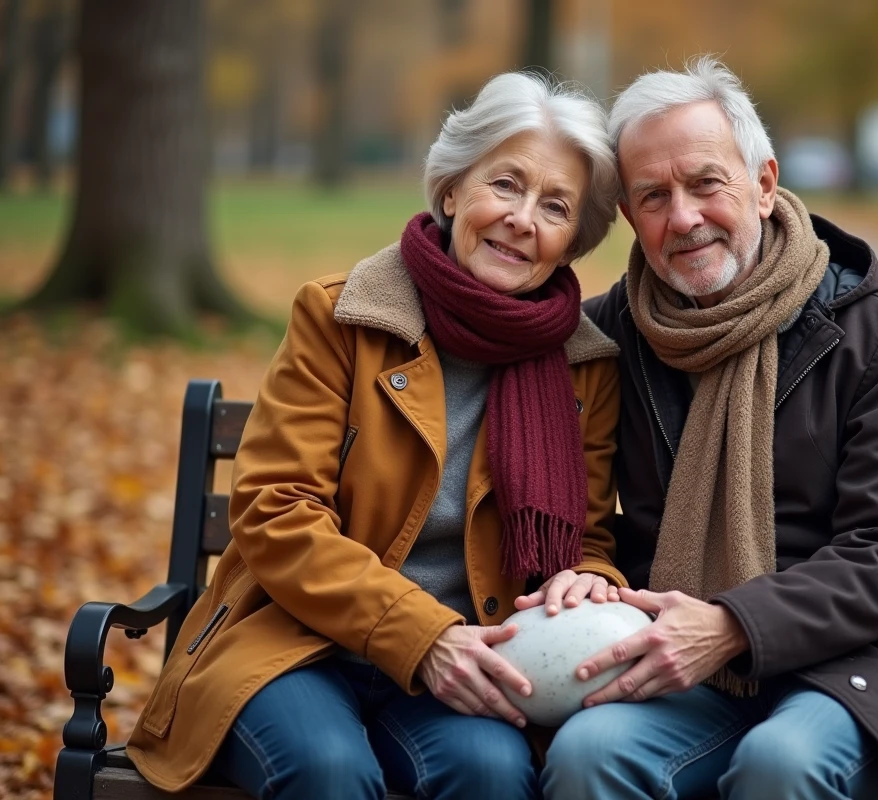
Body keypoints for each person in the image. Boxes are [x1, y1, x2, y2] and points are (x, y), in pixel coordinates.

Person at [126, 72, 627, 800]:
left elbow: (586, 543)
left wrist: (594, 579)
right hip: (293, 645)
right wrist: (420, 637)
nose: (523, 218)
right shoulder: (342, 317)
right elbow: (276, 510)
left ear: (573, 241)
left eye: (555, 206)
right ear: (453, 189)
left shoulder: (584, 367)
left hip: (468, 659)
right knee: (328, 771)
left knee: (491, 773)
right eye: (506, 184)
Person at [542, 57, 878, 800]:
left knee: (782, 762)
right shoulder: (603, 338)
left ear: (764, 183)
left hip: (857, 667)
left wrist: (732, 625)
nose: (683, 218)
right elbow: (576, 520)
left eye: (707, 182)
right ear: (629, 216)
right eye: (653, 196)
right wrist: (594, 575)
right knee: (586, 753)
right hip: (673, 663)